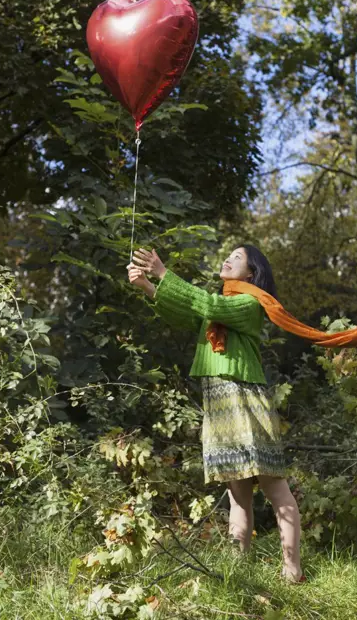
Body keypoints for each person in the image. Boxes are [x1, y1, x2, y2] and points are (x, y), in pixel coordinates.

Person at [127, 244, 305, 584]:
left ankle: (292, 570)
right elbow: (190, 313)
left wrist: (163, 273)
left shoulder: (249, 303)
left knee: (274, 487)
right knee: (237, 496)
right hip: (220, 404)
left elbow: (209, 305)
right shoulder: (223, 304)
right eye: (229, 254)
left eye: (237, 258)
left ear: (251, 274)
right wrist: (148, 287)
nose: (228, 259)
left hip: (246, 401)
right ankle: (238, 572)